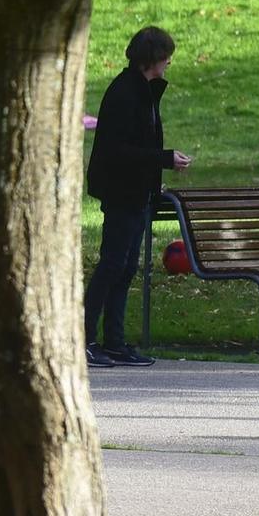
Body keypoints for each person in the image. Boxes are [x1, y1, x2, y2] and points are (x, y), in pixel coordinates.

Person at [84, 26, 191, 369]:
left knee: (126, 267)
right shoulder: (124, 93)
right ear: (151, 60)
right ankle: (84, 339)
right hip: (121, 193)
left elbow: (145, 142)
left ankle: (114, 341)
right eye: (164, 57)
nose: (168, 62)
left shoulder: (144, 90)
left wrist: (154, 178)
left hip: (137, 191)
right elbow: (120, 150)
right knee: (112, 265)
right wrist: (164, 160)